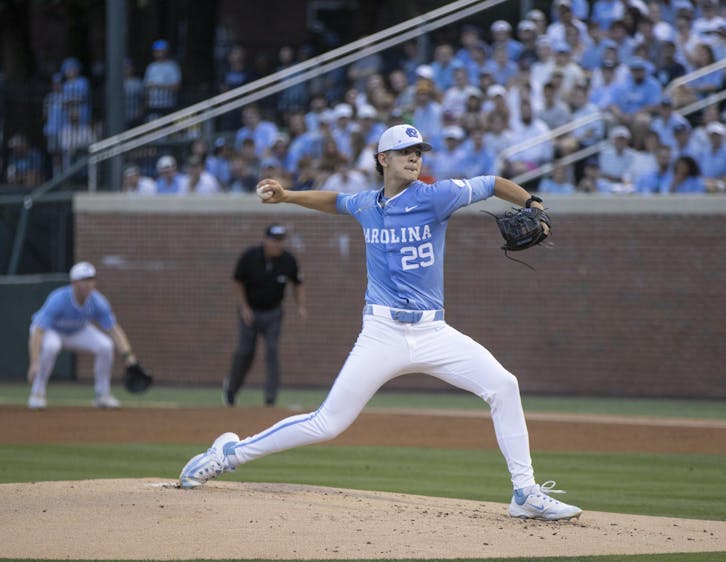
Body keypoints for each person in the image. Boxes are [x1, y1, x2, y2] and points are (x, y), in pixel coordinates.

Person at [180, 124, 583, 522]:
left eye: (419, 151)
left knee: (503, 385)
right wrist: (287, 196)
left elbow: (493, 182)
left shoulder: (438, 195)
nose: (414, 157)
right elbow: (333, 201)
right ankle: (228, 454)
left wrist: (534, 203)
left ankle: (524, 492)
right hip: (382, 333)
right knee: (327, 424)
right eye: (406, 151)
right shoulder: (366, 204)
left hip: (432, 331)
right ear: (382, 159)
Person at [26, 262, 138, 409]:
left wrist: (128, 355)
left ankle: (102, 395)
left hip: (77, 331)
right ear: (74, 282)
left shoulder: (98, 301)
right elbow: (38, 331)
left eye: (91, 280)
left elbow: (114, 330)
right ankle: (37, 393)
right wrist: (35, 362)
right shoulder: (59, 299)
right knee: (52, 346)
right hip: (51, 332)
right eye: (84, 280)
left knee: (105, 346)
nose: (88, 284)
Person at [223, 224, 306, 407]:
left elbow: (298, 283)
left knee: (272, 351)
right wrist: (243, 307)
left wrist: (300, 306)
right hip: (250, 312)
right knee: (245, 352)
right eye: (274, 240)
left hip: (273, 313)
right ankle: (231, 390)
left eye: (281, 241)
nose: (278, 244)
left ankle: (270, 398)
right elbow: (238, 282)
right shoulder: (249, 257)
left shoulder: (288, 260)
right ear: (265, 240)